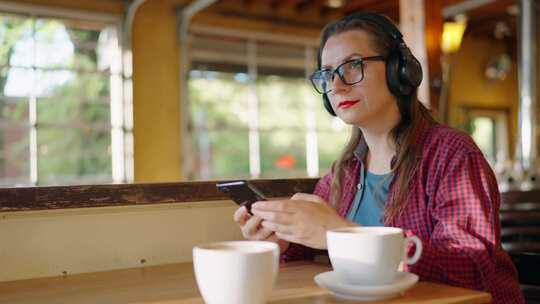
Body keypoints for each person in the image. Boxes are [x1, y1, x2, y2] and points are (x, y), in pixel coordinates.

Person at [233, 12, 523, 303]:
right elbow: (316, 246)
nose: (336, 85)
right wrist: (283, 240)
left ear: (399, 70)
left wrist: (342, 233)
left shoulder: (452, 154)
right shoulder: (343, 172)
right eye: (328, 73)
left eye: (352, 65)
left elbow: (471, 269)